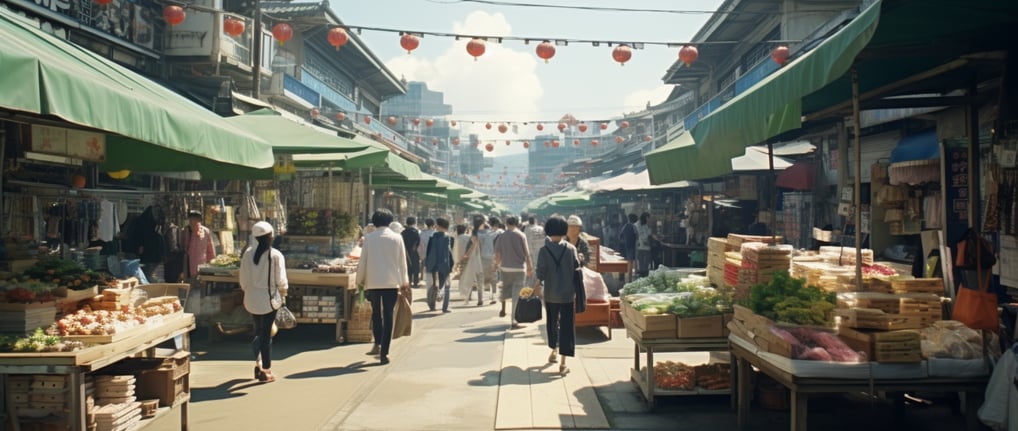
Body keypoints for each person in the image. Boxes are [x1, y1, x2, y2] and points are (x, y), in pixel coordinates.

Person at [355, 209, 410, 365]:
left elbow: (363, 261)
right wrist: (404, 280)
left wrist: (359, 281)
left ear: (374, 222)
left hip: (372, 282)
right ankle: (384, 353)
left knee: (376, 313)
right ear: (390, 221)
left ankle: (378, 343)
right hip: (392, 282)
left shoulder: (369, 239)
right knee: (388, 315)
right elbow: (402, 261)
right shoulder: (397, 238)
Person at [239, 221, 288, 383]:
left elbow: (243, 280)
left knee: (259, 331)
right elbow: (281, 280)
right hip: (268, 300)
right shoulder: (275, 255)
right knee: (266, 335)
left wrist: (249, 291)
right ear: (271, 236)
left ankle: (258, 363)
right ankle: (266, 370)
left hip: (251, 299)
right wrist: (284, 292)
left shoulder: (247, 254)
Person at [533, 216, 581, 375]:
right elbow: (577, 270)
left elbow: (540, 273)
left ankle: (553, 350)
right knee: (567, 326)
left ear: (548, 231)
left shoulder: (544, 251)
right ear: (564, 230)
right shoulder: (571, 249)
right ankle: (563, 363)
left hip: (551, 294)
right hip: (568, 295)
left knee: (552, 323)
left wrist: (537, 286)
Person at [493, 216, 533, 328]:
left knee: (505, 290)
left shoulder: (501, 236)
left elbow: (498, 254)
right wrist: (529, 268)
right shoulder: (521, 235)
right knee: (517, 295)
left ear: (506, 223)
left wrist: (496, 265)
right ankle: (514, 320)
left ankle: (503, 309)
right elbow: (527, 254)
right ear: (517, 223)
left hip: (505, 268)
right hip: (519, 269)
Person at [424, 218, 454, 313]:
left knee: (433, 285)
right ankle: (445, 307)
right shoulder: (449, 238)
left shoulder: (432, 238)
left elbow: (428, 252)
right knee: (447, 286)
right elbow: (449, 253)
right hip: (444, 264)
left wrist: (428, 264)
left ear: (439, 226)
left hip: (433, 264)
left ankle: (431, 305)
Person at [181, 210, 215, 283]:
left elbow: (210, 249)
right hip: (188, 266)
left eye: (195, 218)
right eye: (191, 219)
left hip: (202, 265)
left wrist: (211, 264)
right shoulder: (185, 231)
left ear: (199, 220)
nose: (193, 221)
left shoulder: (205, 231)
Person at [459, 216, 486, 306]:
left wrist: (467, 255)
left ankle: (468, 297)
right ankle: (480, 299)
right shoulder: (485, 233)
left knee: (470, 277)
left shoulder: (474, 233)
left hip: (474, 257)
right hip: (482, 257)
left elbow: (473, 246)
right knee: (480, 279)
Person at [480, 216, 503, 305]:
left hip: (483, 257)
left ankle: (481, 298)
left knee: (483, 278)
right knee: (494, 278)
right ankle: (493, 296)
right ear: (497, 225)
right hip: (493, 257)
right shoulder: (499, 233)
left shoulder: (484, 233)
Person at [523, 215, 546, 287]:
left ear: (529, 221)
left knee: (531, 273)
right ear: (536, 220)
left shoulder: (526, 229)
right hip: (541, 253)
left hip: (530, 253)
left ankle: (531, 290)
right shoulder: (541, 229)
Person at [636, 212, 659, 277]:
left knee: (646, 263)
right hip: (640, 247)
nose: (650, 219)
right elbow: (639, 236)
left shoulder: (646, 225)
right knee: (641, 263)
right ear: (646, 217)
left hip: (647, 247)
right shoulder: (638, 224)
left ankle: (645, 274)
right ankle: (641, 275)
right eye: (650, 218)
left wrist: (657, 238)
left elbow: (650, 234)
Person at [401, 217, 422, 288]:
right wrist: (415, 247)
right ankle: (415, 283)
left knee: (408, 267)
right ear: (414, 223)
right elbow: (418, 241)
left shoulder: (403, 232)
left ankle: (409, 282)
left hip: (406, 252)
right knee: (415, 267)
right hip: (414, 251)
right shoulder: (415, 232)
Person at [419, 218, 436, 289]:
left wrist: (421, 255)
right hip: (434, 255)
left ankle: (428, 285)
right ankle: (434, 284)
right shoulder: (435, 233)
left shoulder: (422, 233)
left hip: (425, 254)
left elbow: (420, 245)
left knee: (426, 269)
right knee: (434, 271)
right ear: (433, 224)